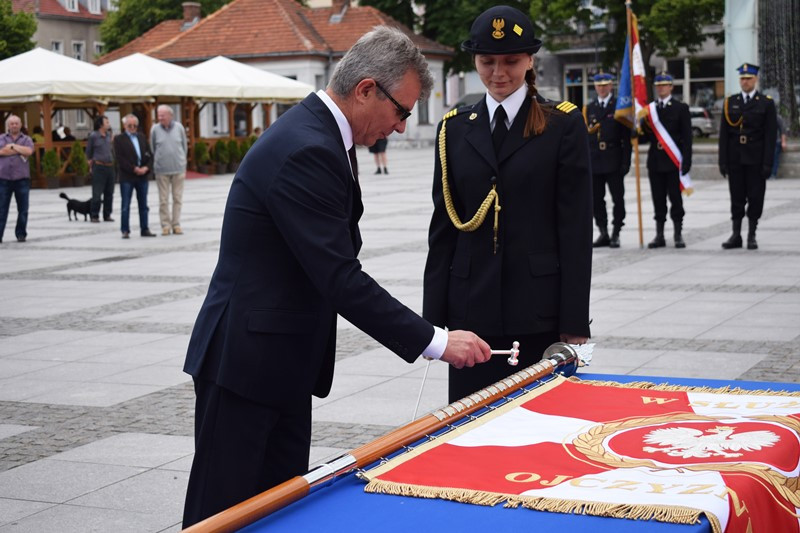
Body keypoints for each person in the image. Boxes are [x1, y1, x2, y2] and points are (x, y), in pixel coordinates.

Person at [181, 26, 491, 527]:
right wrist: (435, 341)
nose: (400, 128)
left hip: (280, 362)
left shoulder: (323, 135)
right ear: (366, 89)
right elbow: (340, 277)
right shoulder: (308, 147)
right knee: (221, 516)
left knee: (277, 512)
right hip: (246, 367)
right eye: (401, 111)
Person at [423, 5, 593, 403]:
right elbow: (443, 230)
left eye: (511, 61)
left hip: (537, 310)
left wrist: (573, 320)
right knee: (468, 423)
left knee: (538, 422)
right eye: (487, 62)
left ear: (530, 60)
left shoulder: (562, 125)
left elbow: (575, 229)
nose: (498, 72)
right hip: (470, 315)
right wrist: (432, 325)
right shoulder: (454, 128)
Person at [719, 63, 777, 250]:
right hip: (735, 158)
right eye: (742, 79)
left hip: (756, 159)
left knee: (755, 197)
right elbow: (724, 135)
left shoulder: (766, 103)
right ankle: (736, 235)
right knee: (736, 197)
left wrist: (768, 163)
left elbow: (770, 136)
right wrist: (722, 161)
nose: (745, 82)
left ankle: (752, 234)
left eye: (748, 78)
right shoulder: (730, 102)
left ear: (756, 79)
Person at [643, 72, 691, 249]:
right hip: (655, 161)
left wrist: (687, 161)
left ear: (671, 87)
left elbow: (687, 137)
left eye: (664, 85)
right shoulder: (650, 109)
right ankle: (659, 235)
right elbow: (646, 136)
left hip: (673, 162)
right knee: (658, 199)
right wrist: (636, 132)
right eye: (658, 86)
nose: (661, 88)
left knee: (676, 199)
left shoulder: (680, 108)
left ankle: (678, 234)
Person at [584, 72, 631, 248]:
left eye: (605, 85)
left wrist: (626, 161)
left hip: (614, 159)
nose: (602, 88)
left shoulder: (619, 107)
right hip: (595, 160)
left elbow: (626, 139)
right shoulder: (589, 108)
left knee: (618, 198)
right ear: (595, 87)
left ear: (611, 86)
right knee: (596, 199)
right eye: (599, 85)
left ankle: (616, 231)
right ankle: (603, 231)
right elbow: (585, 138)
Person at [114, 114, 156, 239]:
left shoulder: (142, 137)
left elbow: (149, 155)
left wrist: (146, 168)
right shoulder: (119, 139)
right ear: (124, 126)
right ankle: (125, 230)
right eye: (130, 125)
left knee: (144, 205)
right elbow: (120, 158)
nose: (132, 128)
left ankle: (145, 228)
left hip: (142, 176)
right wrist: (133, 168)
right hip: (127, 177)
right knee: (125, 205)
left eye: (134, 125)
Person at [150, 105, 188, 236]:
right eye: (159, 115)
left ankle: (176, 224)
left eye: (163, 115)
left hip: (178, 168)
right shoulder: (155, 129)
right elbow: (153, 148)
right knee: (163, 200)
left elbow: (184, 146)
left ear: (170, 116)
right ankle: (165, 225)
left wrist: (182, 161)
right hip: (161, 170)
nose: (160, 117)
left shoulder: (179, 127)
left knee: (177, 198)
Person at [0, 115, 34, 243]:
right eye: (12, 123)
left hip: (22, 179)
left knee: (23, 209)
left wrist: (12, 146)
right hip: (3, 179)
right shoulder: (1, 138)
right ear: (8, 126)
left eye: (16, 123)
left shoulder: (27, 139)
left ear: (20, 125)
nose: (14, 125)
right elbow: (0, 152)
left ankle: (21, 234)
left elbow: (29, 151)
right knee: (1, 209)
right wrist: (19, 150)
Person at [85, 115, 115, 223]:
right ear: (101, 124)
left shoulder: (109, 135)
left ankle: (107, 214)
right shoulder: (94, 136)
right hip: (99, 166)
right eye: (106, 122)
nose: (108, 124)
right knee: (97, 192)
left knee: (109, 192)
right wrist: (90, 164)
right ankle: (94, 215)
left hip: (109, 166)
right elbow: (88, 152)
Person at [770, 114, 787, 180]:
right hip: (767, 141)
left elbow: (783, 130)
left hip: (776, 141)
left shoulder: (777, 117)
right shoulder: (764, 116)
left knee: (775, 155)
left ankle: (773, 174)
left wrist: (783, 142)